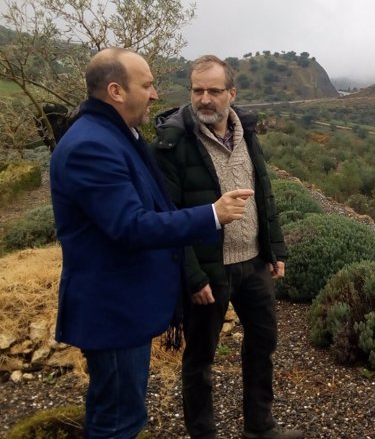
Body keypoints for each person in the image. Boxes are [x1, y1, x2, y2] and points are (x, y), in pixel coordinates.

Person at [50, 48, 255, 439]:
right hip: (113, 311)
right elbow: (131, 225)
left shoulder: (115, 135)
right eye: (146, 85)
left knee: (123, 414)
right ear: (115, 91)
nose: (156, 94)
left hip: (125, 308)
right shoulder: (91, 147)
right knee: (118, 423)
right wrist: (212, 214)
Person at [152, 55, 303, 439]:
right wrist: (192, 275)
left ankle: (260, 426)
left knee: (262, 345)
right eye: (197, 90)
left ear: (231, 93)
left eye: (214, 91)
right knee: (200, 359)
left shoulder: (246, 130)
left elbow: (264, 194)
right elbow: (167, 216)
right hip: (207, 270)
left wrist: (275, 249)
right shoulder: (173, 142)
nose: (205, 99)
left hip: (253, 264)